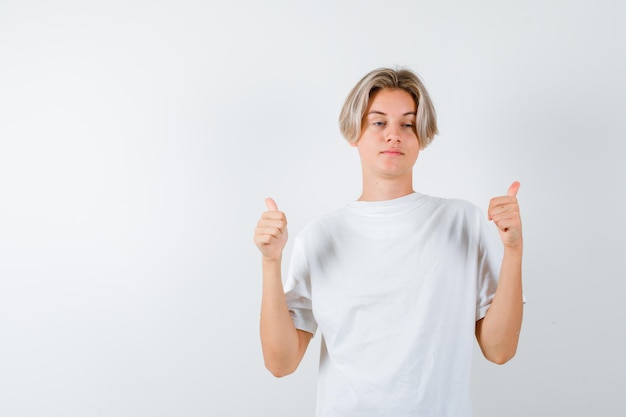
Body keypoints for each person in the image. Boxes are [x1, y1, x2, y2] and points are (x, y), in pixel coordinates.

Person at [253, 67, 523, 417]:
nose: (393, 135)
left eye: (408, 124)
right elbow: (281, 363)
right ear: (355, 133)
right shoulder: (320, 236)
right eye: (378, 122)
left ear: (422, 136)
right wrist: (270, 262)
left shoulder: (462, 222)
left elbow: (499, 350)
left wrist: (514, 251)